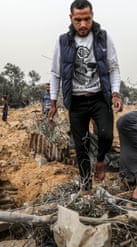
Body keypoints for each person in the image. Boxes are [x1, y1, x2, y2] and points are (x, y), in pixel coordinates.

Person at [48, 0, 123, 192]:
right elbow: (55, 73)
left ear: (92, 16)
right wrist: (53, 103)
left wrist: (115, 94)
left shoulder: (103, 38)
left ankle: (99, 161)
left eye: (87, 19)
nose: (83, 24)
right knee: (81, 145)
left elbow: (114, 68)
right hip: (76, 101)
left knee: (106, 135)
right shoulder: (62, 41)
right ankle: (86, 185)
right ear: (71, 18)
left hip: (99, 98)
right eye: (78, 20)